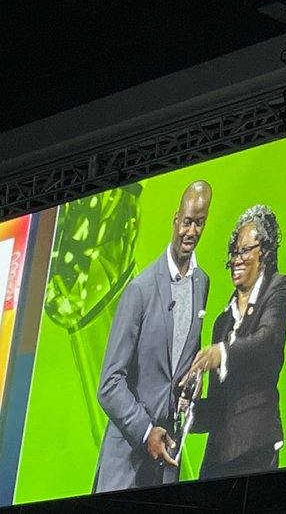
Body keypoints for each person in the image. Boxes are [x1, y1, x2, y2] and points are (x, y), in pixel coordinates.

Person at [94, 180, 213, 493]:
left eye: (199, 223)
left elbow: (181, 363)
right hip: (126, 466)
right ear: (175, 220)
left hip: (165, 468)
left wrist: (194, 381)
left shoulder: (202, 284)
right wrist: (146, 432)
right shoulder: (140, 290)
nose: (191, 231)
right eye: (187, 222)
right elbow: (109, 385)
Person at [186, 204, 286, 480]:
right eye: (235, 252)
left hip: (255, 444)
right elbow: (219, 407)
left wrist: (222, 353)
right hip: (218, 456)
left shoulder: (278, 287)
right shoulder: (222, 323)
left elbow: (267, 340)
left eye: (246, 250)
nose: (237, 259)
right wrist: (187, 409)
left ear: (265, 253)